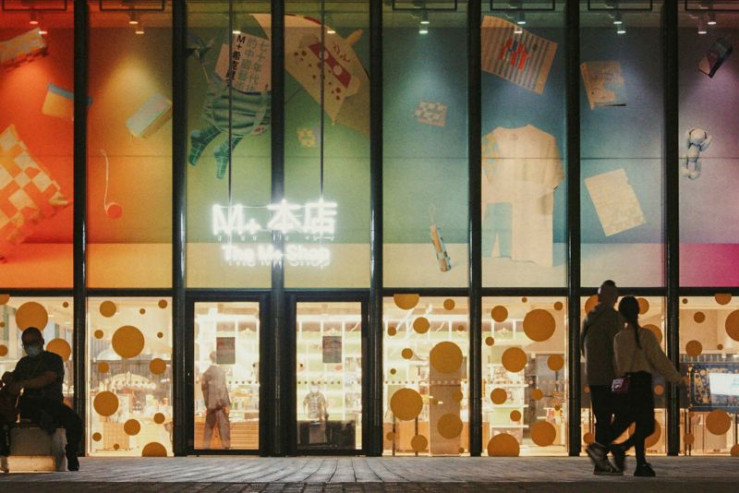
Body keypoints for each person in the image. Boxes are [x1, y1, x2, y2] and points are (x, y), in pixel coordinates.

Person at [609, 296, 681, 477]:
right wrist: (676, 378)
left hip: (624, 385)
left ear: (621, 315)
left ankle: (640, 462)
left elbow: (617, 366)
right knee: (647, 426)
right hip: (641, 384)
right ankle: (624, 449)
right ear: (638, 312)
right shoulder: (645, 335)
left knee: (633, 422)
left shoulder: (619, 338)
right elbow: (659, 360)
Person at [1, 327, 82, 471]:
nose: (29, 347)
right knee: (30, 412)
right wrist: (9, 378)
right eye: (26, 344)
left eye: (33, 342)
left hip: (51, 403)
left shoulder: (53, 360)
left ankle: (71, 451)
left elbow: (46, 379)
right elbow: (14, 378)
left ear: (42, 341)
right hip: (29, 403)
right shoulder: (23, 363)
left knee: (74, 421)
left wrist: (22, 383)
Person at [581, 280, 623, 475]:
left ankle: (601, 461)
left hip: (594, 377)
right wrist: (621, 377)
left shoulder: (589, 318)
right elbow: (617, 351)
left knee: (602, 418)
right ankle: (600, 451)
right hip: (612, 377)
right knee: (624, 415)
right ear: (615, 298)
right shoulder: (614, 318)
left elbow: (582, 349)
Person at [201, 351, 231, 449]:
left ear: (211, 359)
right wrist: (226, 404)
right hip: (220, 405)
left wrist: (207, 404)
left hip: (210, 405)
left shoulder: (206, 373)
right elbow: (222, 388)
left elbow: (204, 390)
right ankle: (226, 448)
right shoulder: (221, 372)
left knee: (208, 429)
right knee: (224, 428)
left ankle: (205, 449)